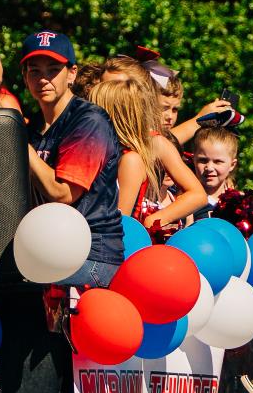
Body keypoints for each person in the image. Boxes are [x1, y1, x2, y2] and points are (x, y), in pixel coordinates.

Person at [21, 30, 124, 288]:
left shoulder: (88, 120)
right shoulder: (31, 126)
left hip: (91, 255)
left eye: (53, 69)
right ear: (24, 76)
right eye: (34, 71)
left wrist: (21, 147)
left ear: (72, 73)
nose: (43, 79)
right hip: (48, 251)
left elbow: (63, 194)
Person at [86, 72, 206, 235]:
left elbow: (197, 195)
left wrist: (154, 220)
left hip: (118, 245)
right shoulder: (103, 148)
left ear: (113, 116)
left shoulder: (137, 154)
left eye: (95, 110)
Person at [191, 126, 239, 218]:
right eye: (203, 160)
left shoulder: (240, 205)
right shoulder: (184, 202)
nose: (209, 168)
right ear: (194, 160)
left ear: (232, 165)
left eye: (218, 162)